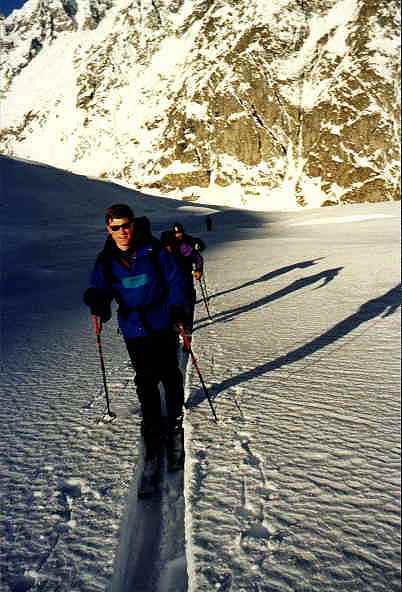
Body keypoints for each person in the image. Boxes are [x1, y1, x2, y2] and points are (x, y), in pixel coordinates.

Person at [83, 204, 189, 496]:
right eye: (116, 227)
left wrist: (178, 309)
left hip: (161, 320)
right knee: (145, 377)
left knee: (169, 372)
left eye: (126, 225)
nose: (122, 232)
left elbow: (175, 279)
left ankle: (175, 419)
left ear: (134, 224)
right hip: (133, 327)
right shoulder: (106, 259)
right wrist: (98, 305)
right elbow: (100, 287)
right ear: (108, 229)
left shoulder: (153, 250)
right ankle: (152, 425)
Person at [161, 224, 204, 343]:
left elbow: (198, 257)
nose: (178, 235)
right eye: (176, 233)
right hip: (170, 286)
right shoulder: (161, 253)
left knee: (187, 307)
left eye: (180, 232)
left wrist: (198, 270)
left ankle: (187, 332)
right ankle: (177, 330)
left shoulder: (184, 246)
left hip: (185, 281)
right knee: (173, 310)